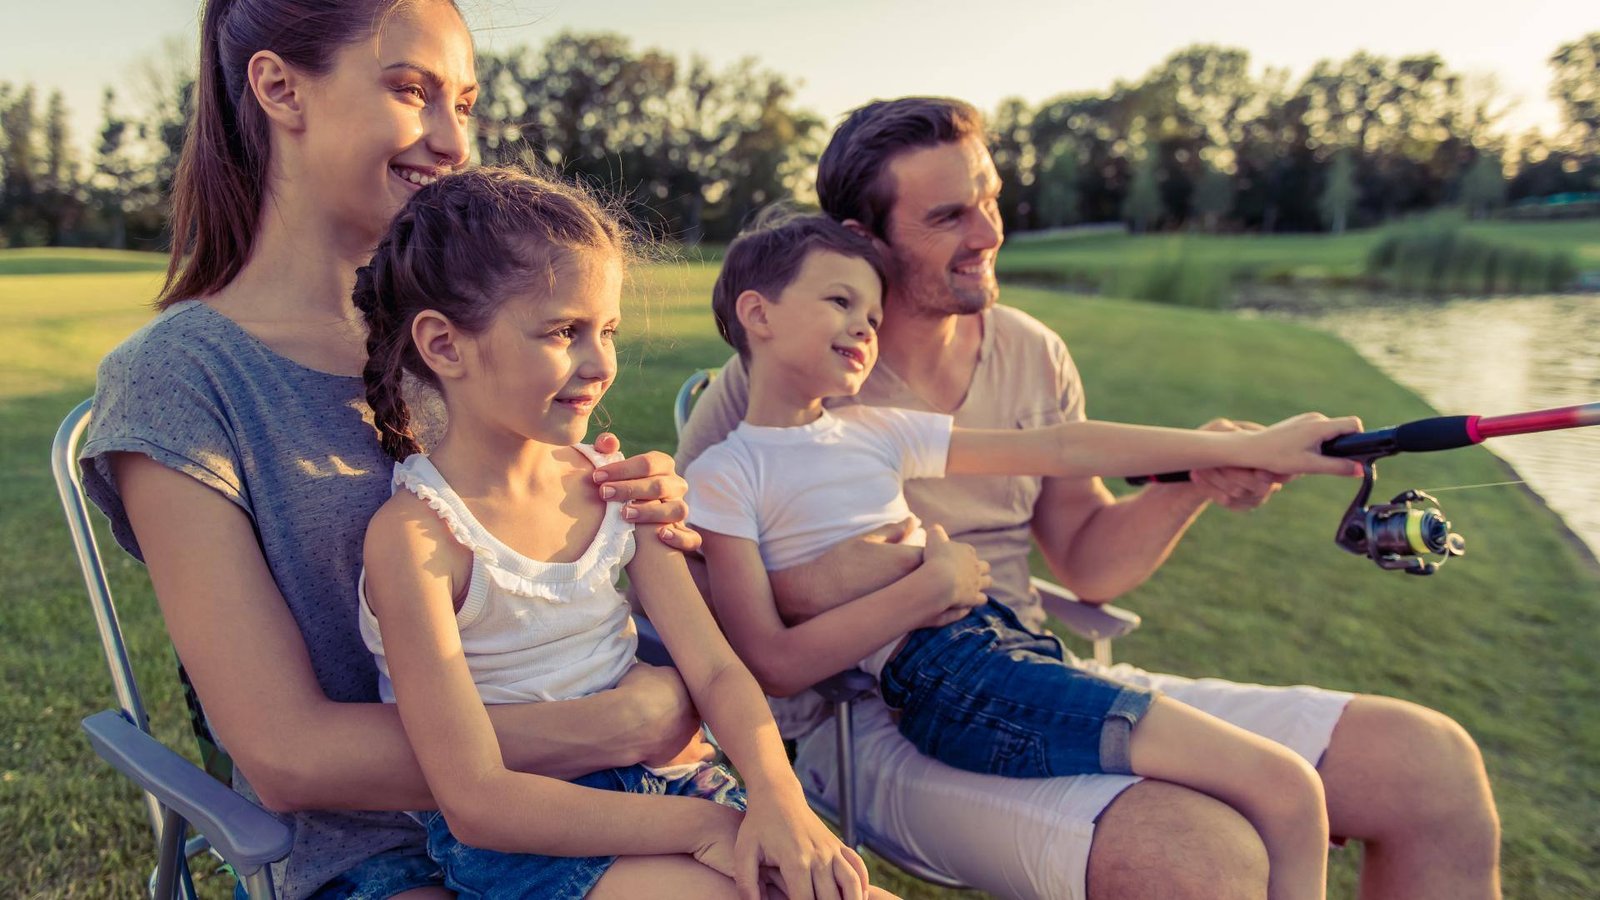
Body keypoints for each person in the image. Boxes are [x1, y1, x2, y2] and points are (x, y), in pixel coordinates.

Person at [676, 97, 1502, 900]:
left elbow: (1090, 559)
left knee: (1429, 763)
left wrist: (1202, 475)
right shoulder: (773, 379)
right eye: (950, 216)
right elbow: (702, 600)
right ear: (864, 238)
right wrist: (884, 581)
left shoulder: (1028, 352)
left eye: (991, 202)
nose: (990, 234)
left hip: (1028, 659)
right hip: (871, 720)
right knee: (1204, 856)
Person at [79, 2, 710, 897]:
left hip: (606, 802)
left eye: (466, 102)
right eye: (413, 91)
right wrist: (618, 721)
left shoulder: (476, 339)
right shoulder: (181, 379)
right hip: (382, 857)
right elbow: (288, 752)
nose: (454, 140)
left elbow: (551, 596)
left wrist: (628, 515)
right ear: (278, 87)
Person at [351, 166, 894, 900]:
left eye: (606, 330)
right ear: (445, 346)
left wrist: (778, 798)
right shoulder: (417, 539)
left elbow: (717, 670)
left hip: (678, 781)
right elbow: (476, 800)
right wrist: (705, 829)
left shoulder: (615, 488)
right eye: (564, 332)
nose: (600, 362)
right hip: (537, 836)